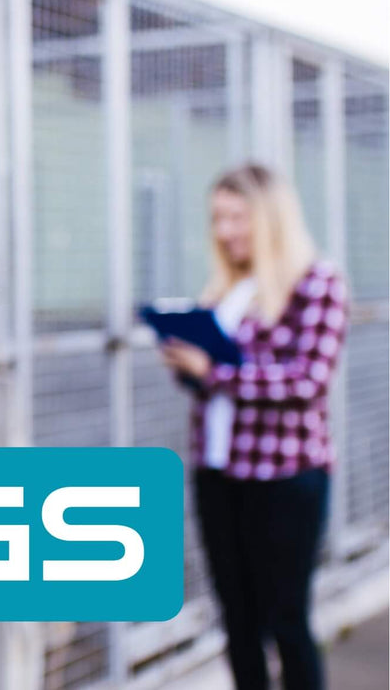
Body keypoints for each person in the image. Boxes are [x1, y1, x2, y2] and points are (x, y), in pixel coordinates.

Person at [159, 163, 346, 690]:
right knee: (236, 622)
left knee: (286, 621)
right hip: (219, 474)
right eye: (218, 218)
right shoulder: (225, 288)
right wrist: (187, 363)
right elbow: (211, 388)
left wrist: (212, 371)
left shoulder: (317, 283)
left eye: (237, 217)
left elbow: (308, 381)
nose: (224, 231)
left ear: (270, 219)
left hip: (285, 477)